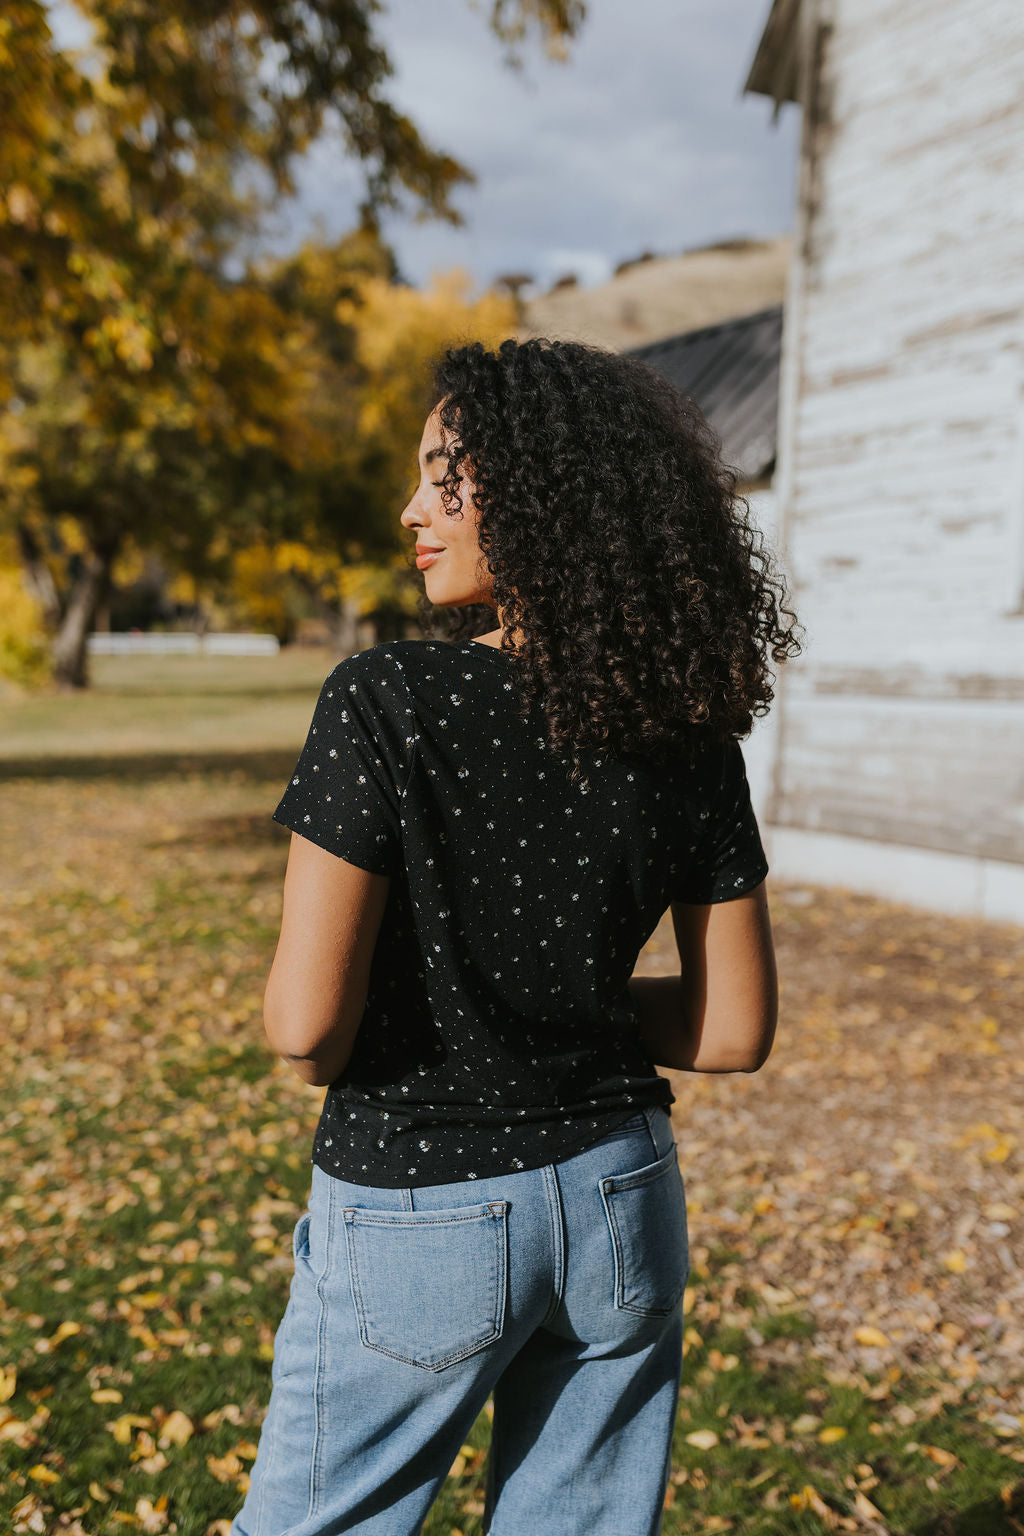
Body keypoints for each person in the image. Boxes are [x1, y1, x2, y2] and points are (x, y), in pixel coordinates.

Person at [230, 336, 802, 1536]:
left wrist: (466, 996)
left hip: (418, 1204)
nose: (410, 511)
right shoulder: (688, 731)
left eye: (447, 478)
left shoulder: (386, 699)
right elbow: (733, 1028)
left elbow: (304, 1027)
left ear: (545, 501)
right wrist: (563, 999)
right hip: (619, 1201)